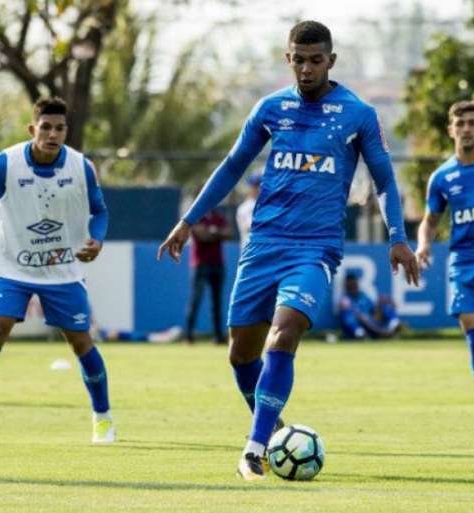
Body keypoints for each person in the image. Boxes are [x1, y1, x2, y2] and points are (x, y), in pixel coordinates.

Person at [158, 20, 419, 481]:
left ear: (331, 61)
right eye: (298, 59)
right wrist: (187, 221)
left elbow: (384, 180)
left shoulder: (357, 114)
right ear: (288, 59)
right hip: (263, 245)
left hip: (315, 248)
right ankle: (272, 426)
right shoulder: (270, 108)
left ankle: (254, 450)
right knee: (241, 354)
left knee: (286, 333)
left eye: (315, 60)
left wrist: (397, 236)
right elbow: (232, 166)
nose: (306, 68)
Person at [0, 97, 115, 445]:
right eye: (46, 127)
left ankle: (103, 419)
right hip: (11, 263)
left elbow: (100, 212)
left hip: (62, 269)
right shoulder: (5, 162)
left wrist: (96, 241)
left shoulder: (82, 166)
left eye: (60, 128)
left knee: (80, 341)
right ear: (32, 128)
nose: (53, 134)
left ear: (67, 130)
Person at [416, 100, 474, 426]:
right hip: (463, 266)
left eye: (472, 123)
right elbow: (429, 220)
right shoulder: (442, 177)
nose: (466, 129)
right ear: (451, 130)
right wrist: (424, 245)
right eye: (460, 124)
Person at [185, 205, 231, 343]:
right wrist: (217, 234)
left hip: (217, 264)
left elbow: (229, 234)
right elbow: (201, 235)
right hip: (200, 264)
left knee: (217, 303)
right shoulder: (195, 216)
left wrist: (212, 233)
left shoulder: (219, 216)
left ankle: (218, 336)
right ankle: (188, 336)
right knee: (195, 300)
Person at [338, 270, 401, 340]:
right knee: (347, 315)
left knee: (385, 307)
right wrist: (367, 321)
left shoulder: (363, 296)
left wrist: (381, 304)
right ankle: (360, 333)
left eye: (354, 284)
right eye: (351, 285)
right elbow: (359, 317)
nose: (353, 286)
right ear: (347, 286)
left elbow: (374, 311)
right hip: (360, 324)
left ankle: (393, 325)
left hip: (371, 323)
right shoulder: (345, 299)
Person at [235, 172, 262, 243]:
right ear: (249, 187)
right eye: (255, 185)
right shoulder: (244, 208)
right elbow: (251, 226)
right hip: (249, 250)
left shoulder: (265, 204)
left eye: (260, 185)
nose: (258, 188)